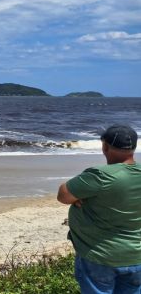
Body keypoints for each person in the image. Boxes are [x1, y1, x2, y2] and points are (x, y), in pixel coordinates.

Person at [58, 124, 141, 294]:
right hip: (136, 256)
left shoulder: (99, 176)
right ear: (134, 147)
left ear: (105, 147)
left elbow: (63, 195)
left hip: (100, 255)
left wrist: (82, 196)